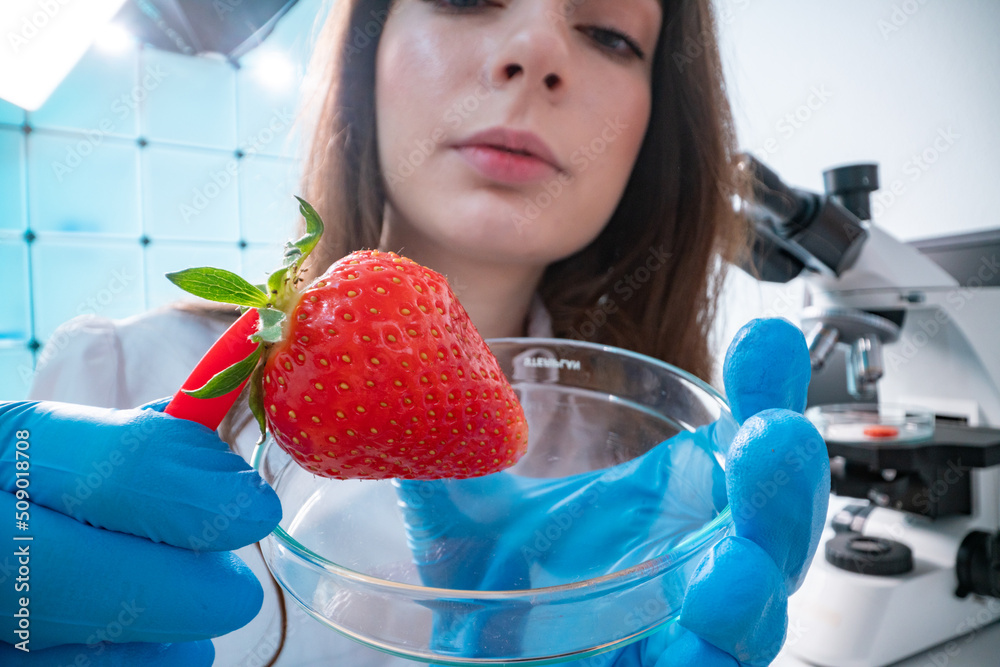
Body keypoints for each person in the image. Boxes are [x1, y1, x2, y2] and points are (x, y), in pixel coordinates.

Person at [0, 0, 830, 665]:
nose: (537, 50)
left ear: (656, 131)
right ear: (366, 52)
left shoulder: (678, 480)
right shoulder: (114, 379)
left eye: (609, 33)